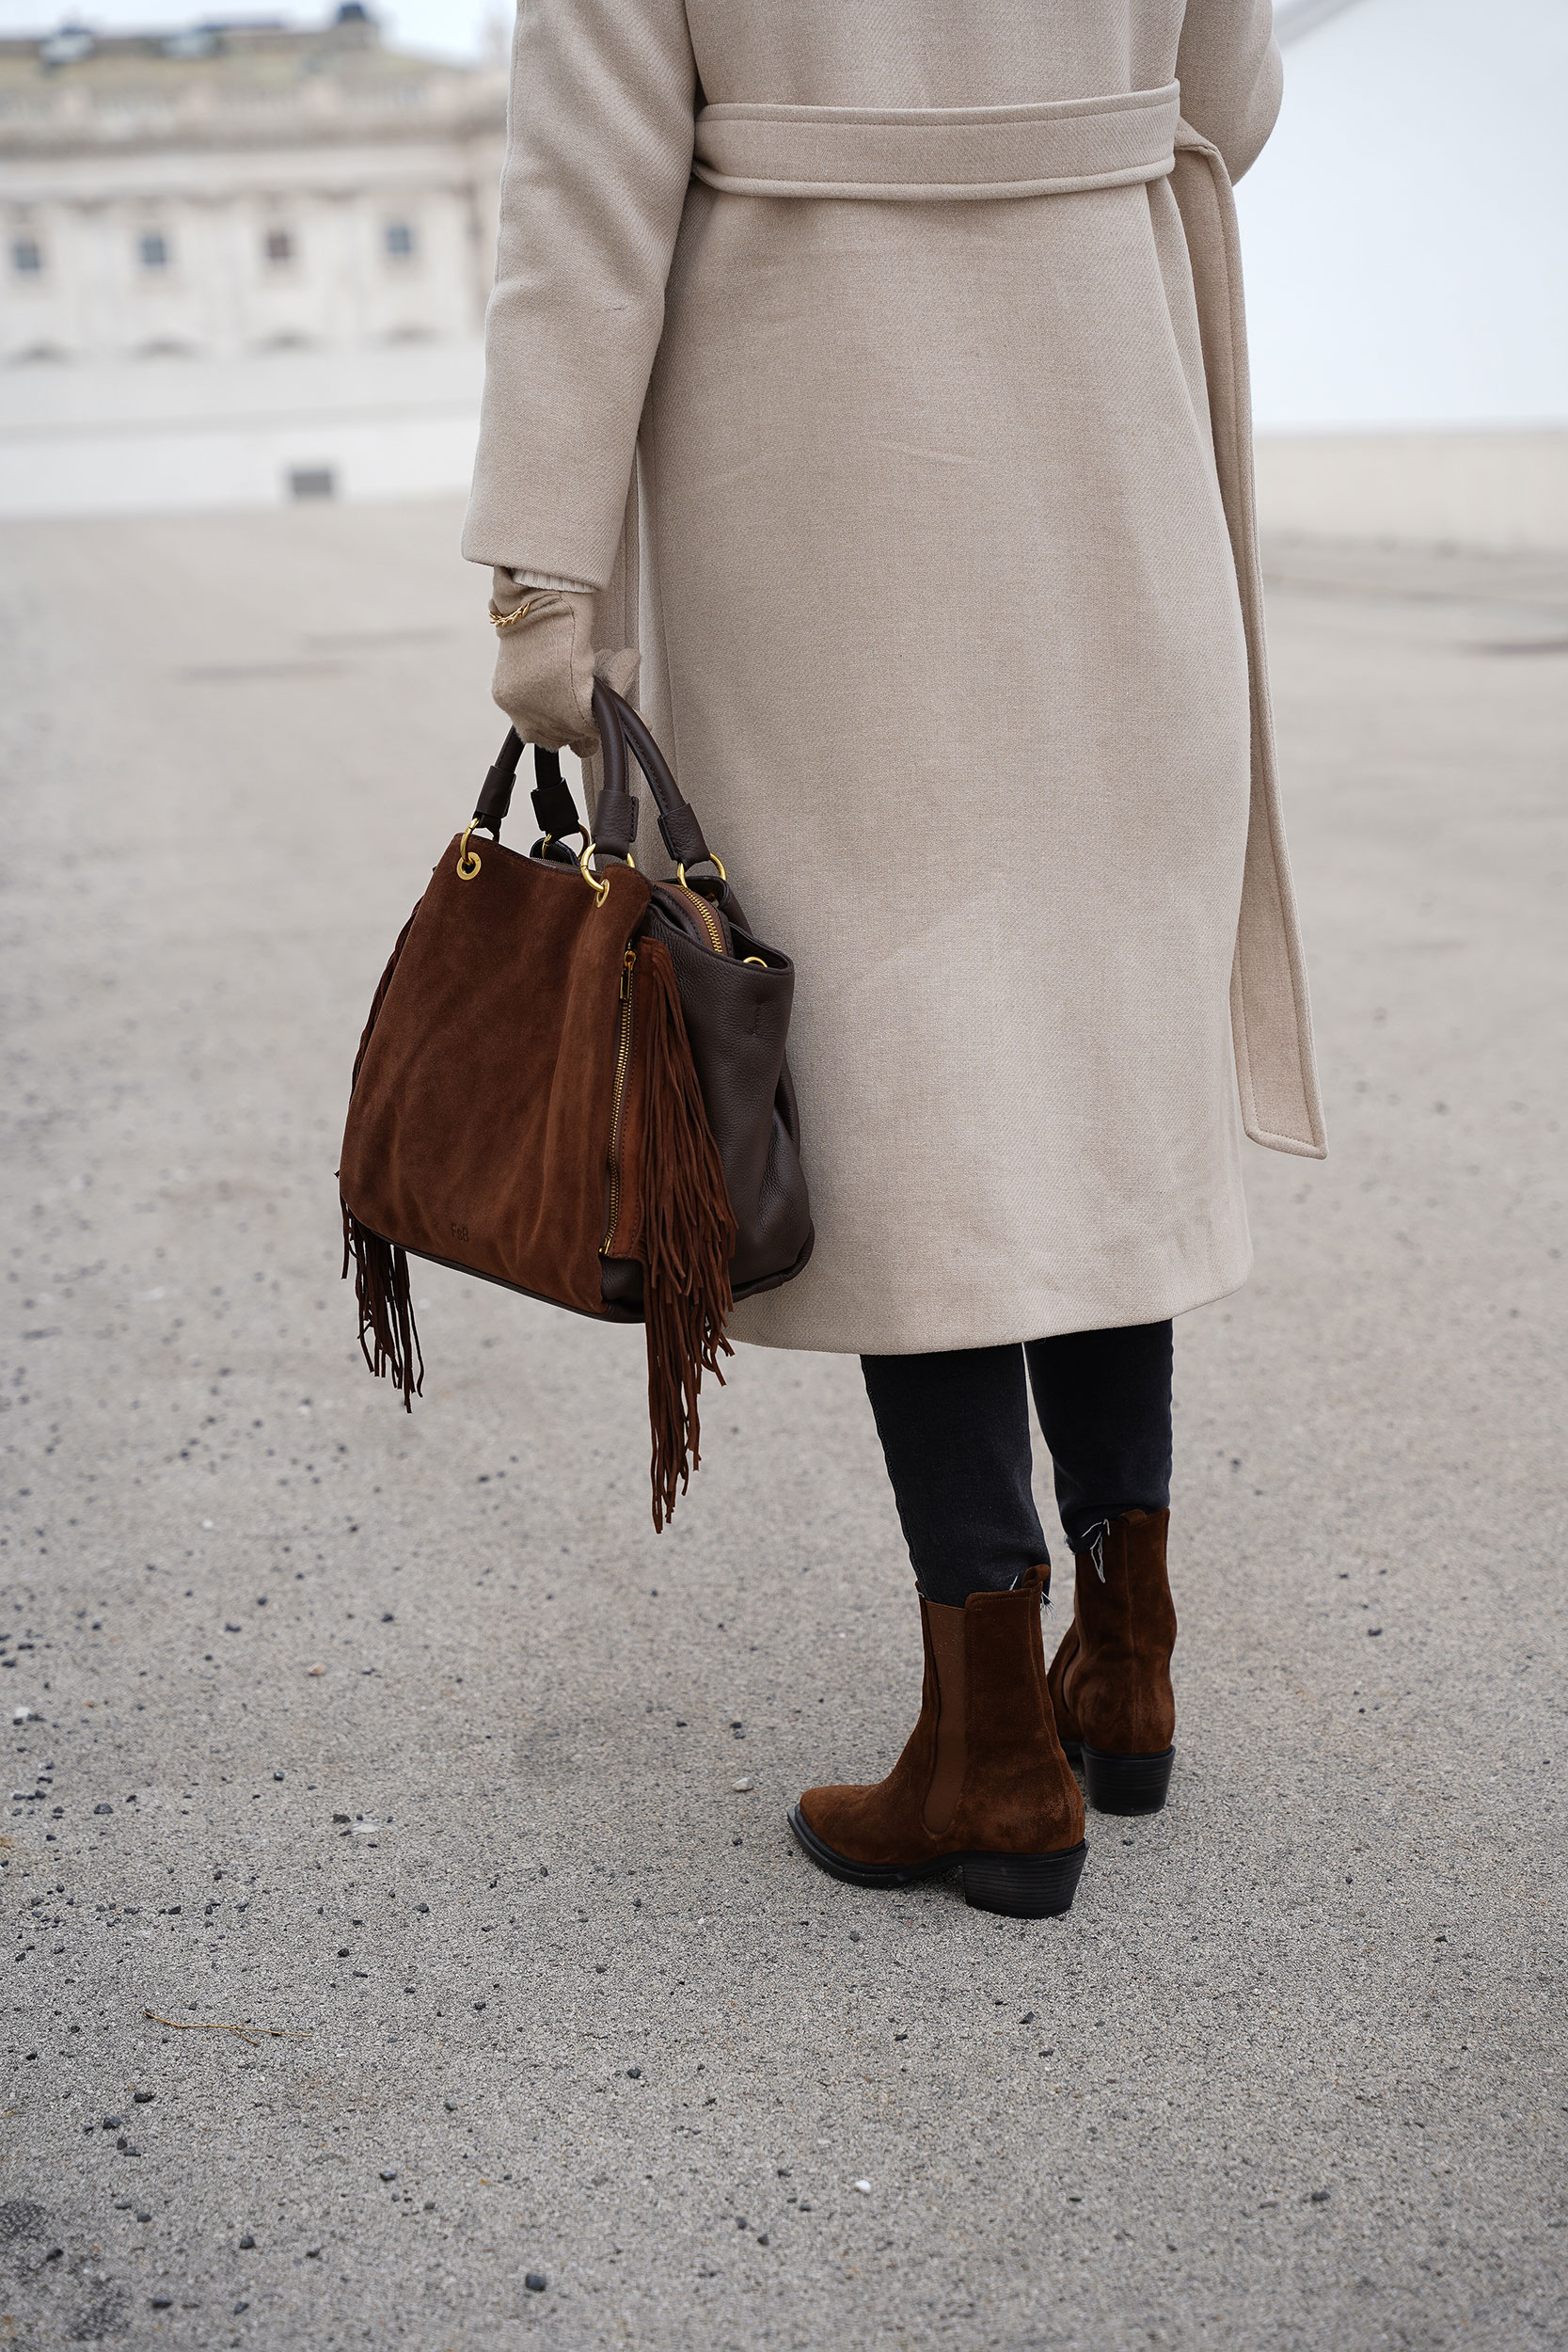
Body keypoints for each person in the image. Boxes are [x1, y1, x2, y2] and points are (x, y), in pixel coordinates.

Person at [460, 0, 1325, 1920]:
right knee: (1084, 1042)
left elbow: (584, 191)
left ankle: (995, 1741)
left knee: (903, 1073)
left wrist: (542, 571)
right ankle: (1127, 1646)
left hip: (820, 453)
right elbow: (1234, 105)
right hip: (1108, 422)